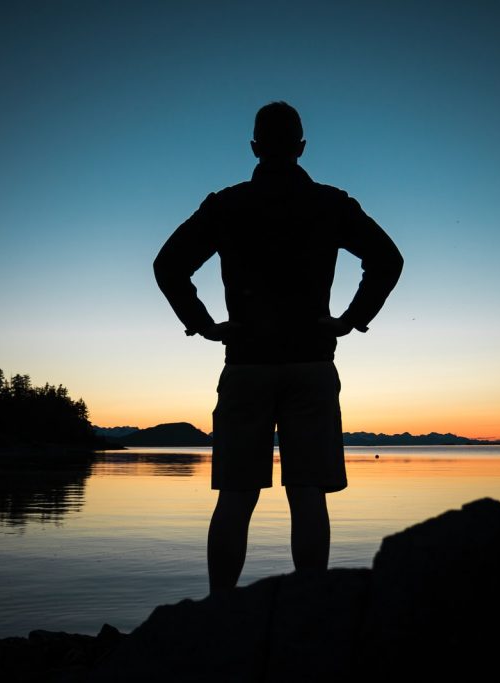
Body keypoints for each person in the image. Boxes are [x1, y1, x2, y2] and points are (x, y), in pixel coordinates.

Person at [154, 101, 403, 593]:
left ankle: (221, 612)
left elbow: (169, 265)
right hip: (311, 362)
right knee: (308, 491)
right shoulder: (330, 203)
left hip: (246, 363)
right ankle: (309, 612)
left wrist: (204, 325)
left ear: (254, 147)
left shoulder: (227, 205)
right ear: (302, 148)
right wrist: (350, 321)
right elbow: (387, 259)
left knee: (235, 495)